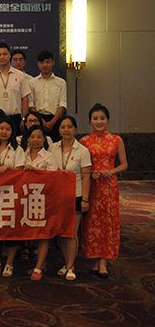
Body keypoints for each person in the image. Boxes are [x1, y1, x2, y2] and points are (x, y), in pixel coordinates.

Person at [81, 103, 128, 279]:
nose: (99, 121)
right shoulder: (84, 141)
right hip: (91, 186)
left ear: (107, 120)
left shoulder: (116, 140)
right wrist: (90, 173)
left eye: (102, 118)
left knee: (108, 222)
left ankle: (104, 261)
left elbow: (124, 164)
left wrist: (112, 171)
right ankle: (95, 258)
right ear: (90, 121)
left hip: (108, 186)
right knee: (92, 222)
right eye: (95, 118)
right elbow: (81, 164)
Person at [49, 116, 92, 281]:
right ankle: (67, 263)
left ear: (75, 129)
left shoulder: (82, 151)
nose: (66, 130)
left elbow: (86, 177)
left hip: (76, 195)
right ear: (59, 130)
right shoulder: (52, 148)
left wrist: (85, 199)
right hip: (58, 196)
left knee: (71, 233)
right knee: (62, 233)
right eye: (63, 127)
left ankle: (71, 266)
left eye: (69, 127)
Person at [22, 125, 58, 281]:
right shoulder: (23, 154)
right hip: (25, 198)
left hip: (43, 199)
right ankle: (41, 264)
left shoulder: (49, 156)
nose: (35, 140)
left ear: (44, 139)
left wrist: (35, 172)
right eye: (32, 137)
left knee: (43, 233)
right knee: (33, 232)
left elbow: (53, 178)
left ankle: (38, 267)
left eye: (38, 137)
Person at [0, 116, 25, 276]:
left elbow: (21, 171)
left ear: (12, 132)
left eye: (8, 129)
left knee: (11, 229)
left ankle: (9, 263)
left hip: (11, 193)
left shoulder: (17, 150)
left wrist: (8, 168)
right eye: (1, 128)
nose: (4, 132)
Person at [0, 42, 31, 131]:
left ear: (9, 55)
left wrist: (24, 118)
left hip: (15, 117)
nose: (2, 57)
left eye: (5, 54)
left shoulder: (20, 75)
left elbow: (25, 98)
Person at [30, 50, 67, 142]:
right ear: (38, 64)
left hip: (55, 119)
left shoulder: (61, 82)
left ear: (53, 62)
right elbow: (31, 105)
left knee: (56, 146)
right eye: (42, 62)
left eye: (47, 62)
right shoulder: (32, 83)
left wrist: (52, 122)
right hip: (38, 119)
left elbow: (62, 104)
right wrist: (41, 121)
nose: (45, 65)